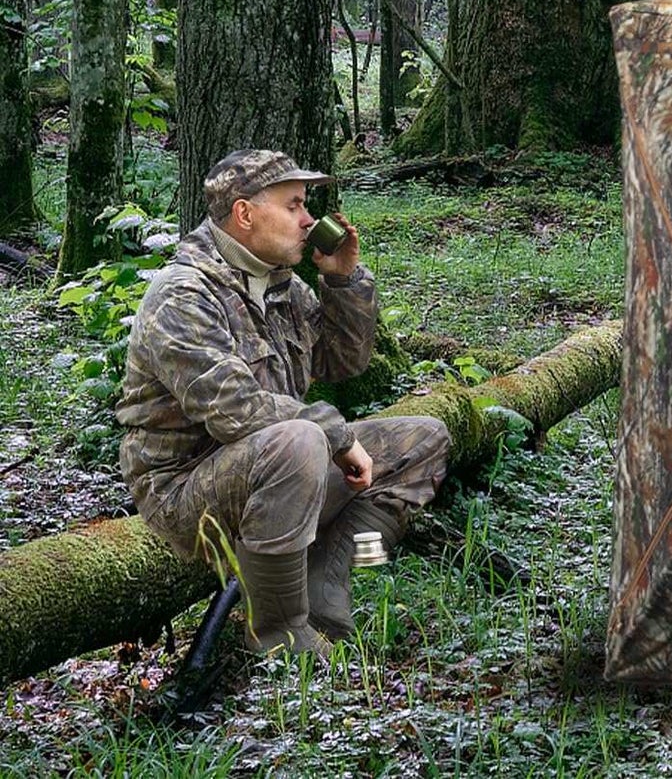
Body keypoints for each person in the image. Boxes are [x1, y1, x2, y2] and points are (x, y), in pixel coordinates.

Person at [117, 149, 451, 656]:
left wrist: (343, 280)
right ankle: (274, 631)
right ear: (245, 214)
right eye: (293, 205)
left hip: (277, 471)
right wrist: (336, 437)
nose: (308, 219)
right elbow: (236, 411)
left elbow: (343, 363)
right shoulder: (183, 294)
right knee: (300, 439)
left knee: (422, 441)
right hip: (185, 495)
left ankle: (330, 581)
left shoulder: (282, 285)